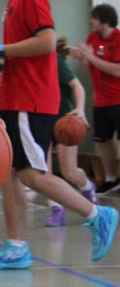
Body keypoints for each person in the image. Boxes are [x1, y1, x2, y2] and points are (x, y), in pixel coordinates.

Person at [0, 0, 118, 269]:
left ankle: (96, 213)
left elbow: (46, 41)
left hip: (30, 101)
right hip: (15, 100)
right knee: (10, 173)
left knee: (31, 174)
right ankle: (17, 247)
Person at [44, 37, 95, 227]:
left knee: (69, 171)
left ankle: (87, 187)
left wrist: (80, 110)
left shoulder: (54, 59)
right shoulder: (25, 61)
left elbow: (77, 86)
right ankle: (56, 209)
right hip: (41, 119)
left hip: (64, 119)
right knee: (43, 172)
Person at [70, 3, 120, 194]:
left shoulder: (118, 39)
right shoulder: (92, 37)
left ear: (105, 21)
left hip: (118, 100)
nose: (91, 21)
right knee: (102, 141)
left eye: (95, 18)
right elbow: (89, 69)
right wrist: (82, 58)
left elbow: (117, 70)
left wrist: (91, 57)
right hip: (101, 101)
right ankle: (111, 179)